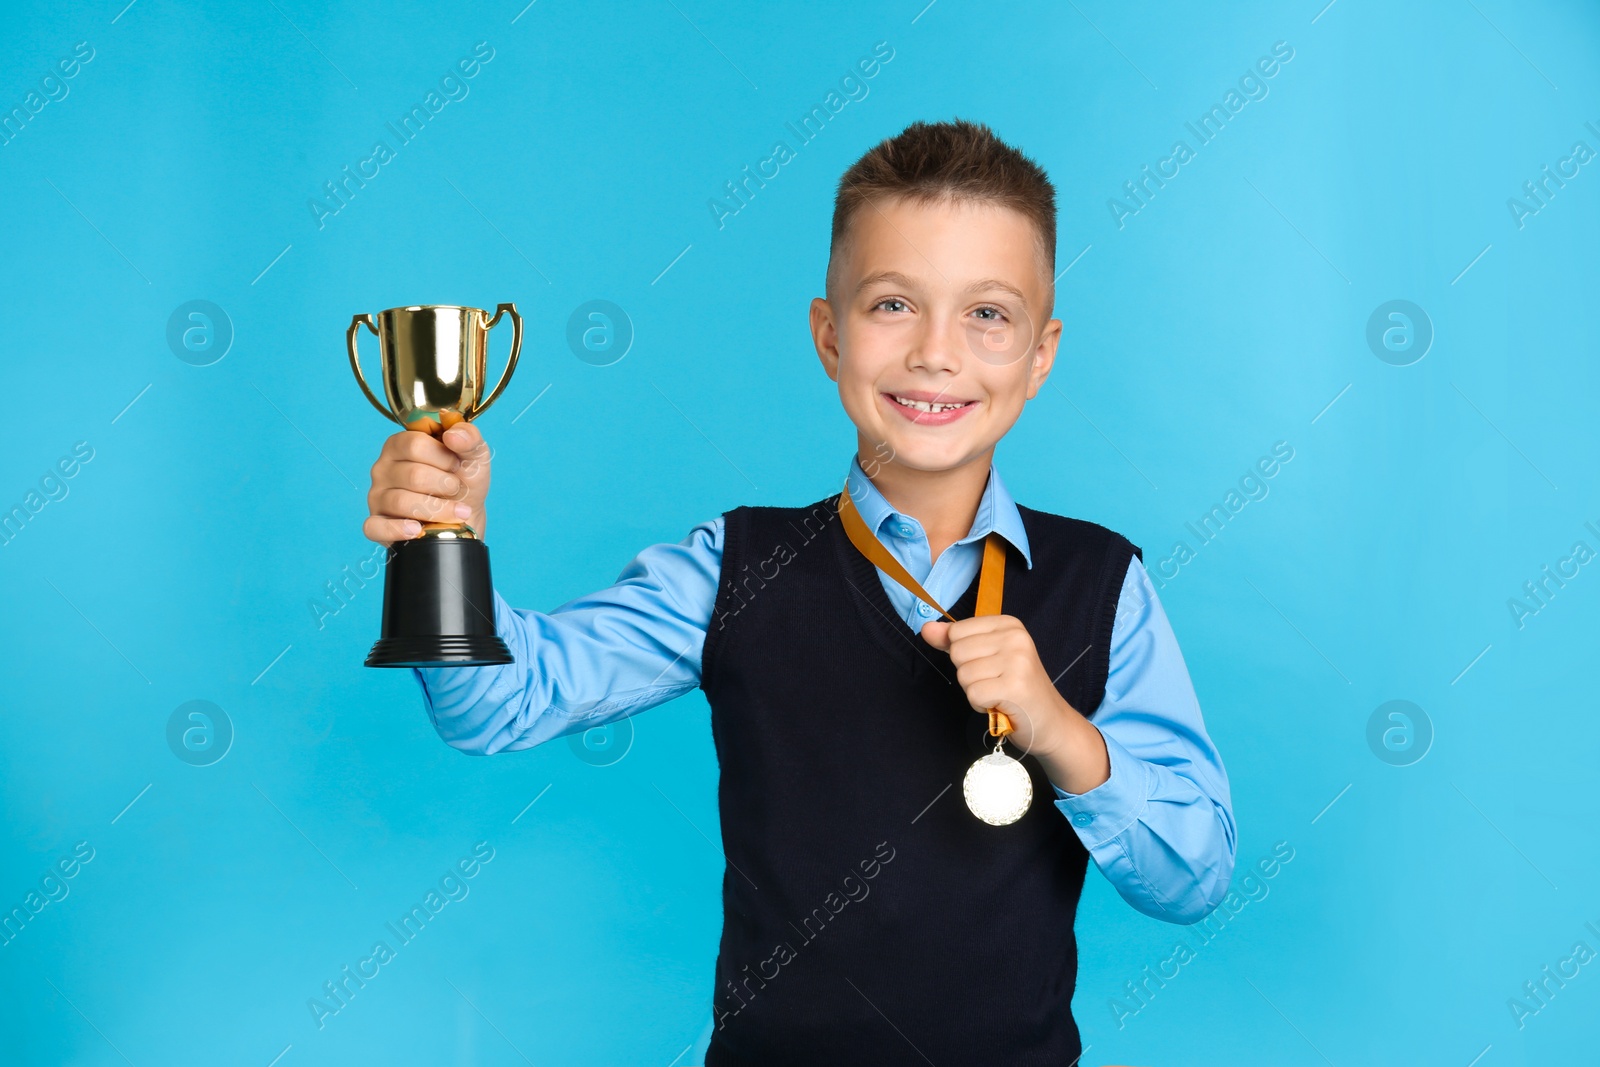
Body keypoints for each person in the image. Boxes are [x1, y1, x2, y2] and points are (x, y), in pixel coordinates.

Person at [362, 118, 1235, 1065]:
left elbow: (1194, 878)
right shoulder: (734, 567)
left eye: (988, 314)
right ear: (828, 334)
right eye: (892, 304)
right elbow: (497, 704)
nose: (937, 353)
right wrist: (443, 538)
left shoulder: (1104, 582)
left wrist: (1061, 730)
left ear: (1041, 354)